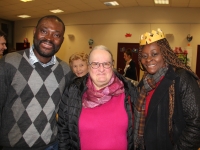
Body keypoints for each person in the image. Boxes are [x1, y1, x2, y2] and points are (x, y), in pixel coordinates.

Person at [0, 15, 74, 150]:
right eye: (44, 31)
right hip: (12, 146)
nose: (49, 38)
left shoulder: (65, 71)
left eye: (56, 35)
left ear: (62, 40)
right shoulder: (9, 62)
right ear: (35, 32)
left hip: (50, 146)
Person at [58, 45, 137, 150]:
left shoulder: (129, 90)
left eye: (106, 64)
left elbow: (139, 131)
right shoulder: (72, 91)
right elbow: (64, 132)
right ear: (89, 66)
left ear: (112, 65)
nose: (101, 69)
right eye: (95, 64)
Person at [134, 28, 200, 150]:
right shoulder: (144, 84)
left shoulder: (181, 78)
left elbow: (196, 124)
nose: (148, 60)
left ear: (164, 53)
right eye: (144, 56)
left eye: (155, 54)